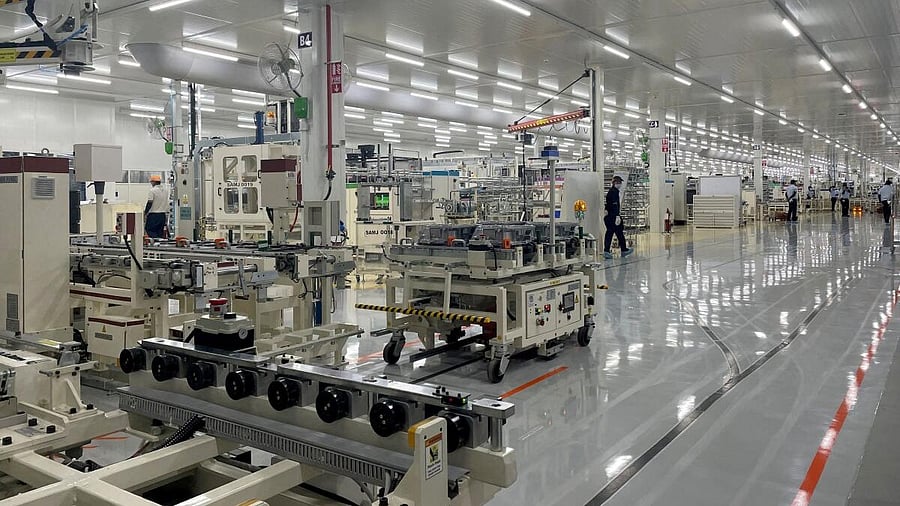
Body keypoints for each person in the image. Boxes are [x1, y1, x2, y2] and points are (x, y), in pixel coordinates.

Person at [604, 175, 633, 260]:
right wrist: (617, 216)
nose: (619, 184)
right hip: (613, 216)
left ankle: (612, 250)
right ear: (614, 183)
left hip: (609, 216)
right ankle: (622, 250)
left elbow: (609, 204)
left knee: (614, 233)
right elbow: (614, 204)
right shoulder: (614, 192)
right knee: (615, 232)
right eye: (618, 183)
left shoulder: (611, 191)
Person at [144, 174, 168, 238]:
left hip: (154, 215)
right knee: (160, 232)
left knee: (149, 229)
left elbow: (150, 202)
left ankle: (153, 243)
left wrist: (145, 212)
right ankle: (159, 244)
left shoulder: (152, 191)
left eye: (151, 182)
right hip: (162, 215)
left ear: (154, 182)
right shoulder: (166, 191)